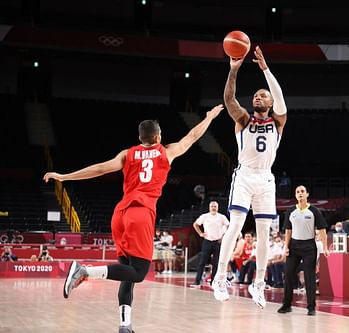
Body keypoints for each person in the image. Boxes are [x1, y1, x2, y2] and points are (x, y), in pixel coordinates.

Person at [43, 104, 223, 333]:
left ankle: (125, 326)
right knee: (138, 273)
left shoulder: (128, 153)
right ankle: (85, 270)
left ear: (140, 137)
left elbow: (99, 169)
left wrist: (65, 177)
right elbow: (193, 136)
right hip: (141, 212)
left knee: (127, 273)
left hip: (120, 214)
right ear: (158, 137)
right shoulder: (166, 151)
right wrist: (209, 117)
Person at [212, 45, 287, 309]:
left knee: (265, 232)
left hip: (266, 179)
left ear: (270, 103)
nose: (258, 97)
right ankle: (220, 277)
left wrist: (265, 69)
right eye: (256, 95)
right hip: (244, 175)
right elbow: (229, 100)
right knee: (236, 225)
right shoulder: (244, 120)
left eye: (262, 96)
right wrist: (233, 71)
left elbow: (280, 99)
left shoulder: (278, 122)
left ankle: (259, 283)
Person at [277, 185, 329, 316]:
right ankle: (287, 305)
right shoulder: (290, 211)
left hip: (309, 247)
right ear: (296, 195)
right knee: (288, 274)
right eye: (297, 192)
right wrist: (286, 247)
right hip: (294, 246)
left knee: (309, 276)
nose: (300, 193)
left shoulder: (314, 211)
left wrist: (326, 247)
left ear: (307, 194)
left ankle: (311, 307)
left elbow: (322, 230)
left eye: (302, 191)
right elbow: (288, 231)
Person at [191, 201, 229, 287]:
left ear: (217, 207)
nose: (213, 208)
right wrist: (200, 233)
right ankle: (197, 281)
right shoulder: (205, 216)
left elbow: (228, 225)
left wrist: (223, 236)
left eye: (215, 206)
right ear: (209, 207)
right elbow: (195, 224)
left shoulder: (222, 217)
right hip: (207, 241)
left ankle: (213, 281)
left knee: (216, 263)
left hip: (217, 242)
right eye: (212, 206)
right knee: (202, 262)